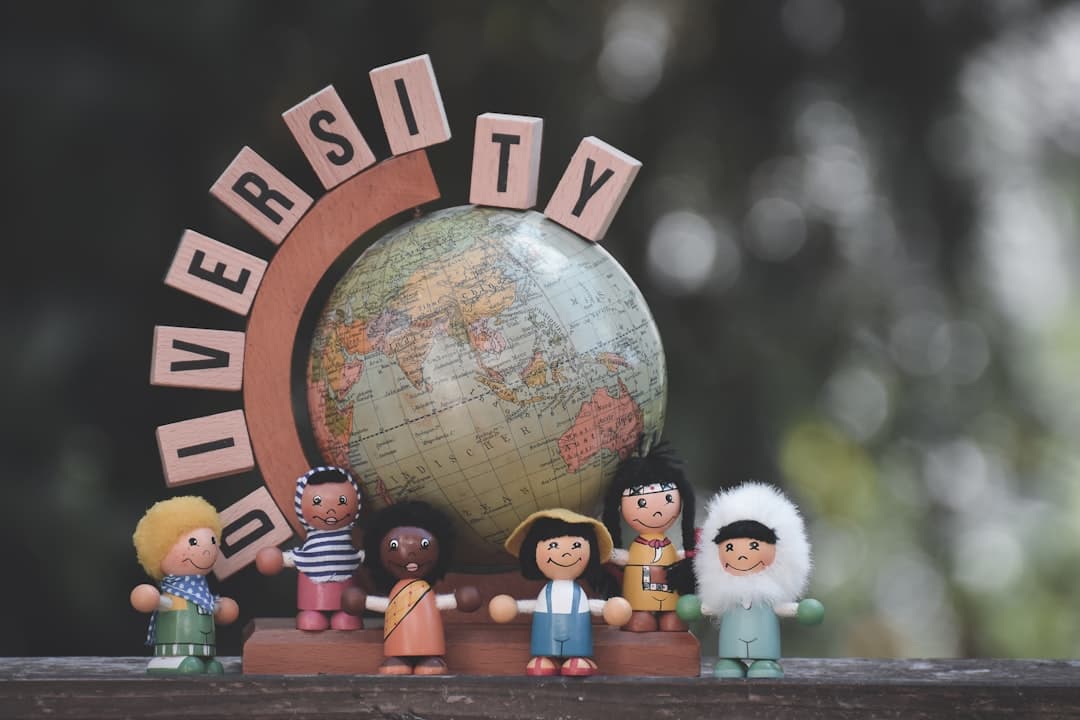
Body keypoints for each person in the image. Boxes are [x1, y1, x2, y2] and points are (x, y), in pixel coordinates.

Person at [677, 482, 824, 678]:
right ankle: (730, 663)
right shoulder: (724, 594)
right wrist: (697, 606)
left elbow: (786, 608)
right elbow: (707, 607)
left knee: (763, 668)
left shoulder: (771, 594)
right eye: (729, 548)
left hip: (765, 646)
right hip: (731, 647)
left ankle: (764, 664)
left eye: (754, 546)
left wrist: (801, 610)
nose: (741, 555)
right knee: (727, 667)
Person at [489, 509, 632, 677]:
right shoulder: (547, 592)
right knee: (543, 658)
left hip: (577, 643)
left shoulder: (578, 593)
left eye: (576, 545)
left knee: (577, 658)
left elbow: (596, 607)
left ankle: (579, 659)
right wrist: (513, 607)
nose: (566, 553)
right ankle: (546, 659)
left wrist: (609, 608)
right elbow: (532, 606)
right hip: (546, 642)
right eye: (553, 545)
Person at [342, 501, 480, 675]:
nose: (410, 553)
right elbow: (388, 606)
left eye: (424, 545)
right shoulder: (398, 591)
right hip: (397, 644)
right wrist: (364, 601)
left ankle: (429, 658)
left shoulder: (424, 590)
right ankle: (398, 658)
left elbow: (438, 603)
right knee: (397, 657)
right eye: (394, 546)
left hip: (430, 644)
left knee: (429, 660)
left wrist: (458, 600)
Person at [130, 496, 239, 674]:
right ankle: (166, 664)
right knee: (192, 667)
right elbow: (146, 599)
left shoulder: (204, 595)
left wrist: (221, 609)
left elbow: (223, 611)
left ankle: (202, 660)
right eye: (193, 542)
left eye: (212, 541)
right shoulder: (172, 596)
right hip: (175, 652)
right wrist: (151, 598)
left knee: (212, 668)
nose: (207, 550)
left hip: (204, 652)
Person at [603, 441, 697, 632]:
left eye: (668, 498)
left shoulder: (670, 549)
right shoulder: (636, 549)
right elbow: (619, 557)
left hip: (670, 599)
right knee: (640, 622)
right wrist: (606, 554)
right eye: (642, 502)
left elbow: (683, 557)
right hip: (638, 600)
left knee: (674, 623)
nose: (656, 511)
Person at [256, 466, 364, 631]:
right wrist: (277, 559)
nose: (331, 510)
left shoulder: (352, 553)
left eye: (342, 500)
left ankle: (344, 614)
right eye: (317, 501)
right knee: (311, 620)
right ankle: (312, 614)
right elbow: (288, 559)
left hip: (347, 601)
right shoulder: (308, 553)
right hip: (312, 599)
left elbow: (363, 557)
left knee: (347, 619)